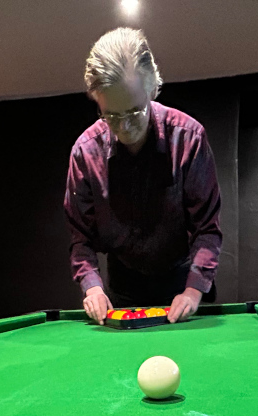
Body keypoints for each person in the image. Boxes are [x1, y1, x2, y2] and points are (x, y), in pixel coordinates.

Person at [64, 28, 223, 325]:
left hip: (182, 285)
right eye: (111, 115)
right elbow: (80, 237)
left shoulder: (189, 138)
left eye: (134, 111)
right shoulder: (85, 154)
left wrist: (193, 291)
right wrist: (93, 287)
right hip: (122, 291)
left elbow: (207, 228)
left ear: (152, 90)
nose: (123, 127)